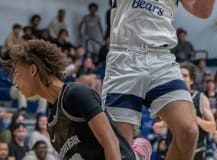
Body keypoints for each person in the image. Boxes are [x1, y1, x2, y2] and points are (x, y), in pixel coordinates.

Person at [0, 40, 151, 160]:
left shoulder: (76, 93)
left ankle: (137, 153)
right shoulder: (52, 121)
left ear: (33, 70)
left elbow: (110, 142)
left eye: (18, 75)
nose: (16, 84)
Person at [102, 0, 215, 159]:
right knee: (120, 152)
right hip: (124, 57)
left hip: (161, 58)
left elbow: (202, 11)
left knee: (188, 132)